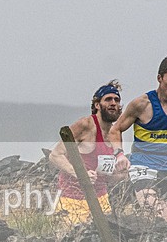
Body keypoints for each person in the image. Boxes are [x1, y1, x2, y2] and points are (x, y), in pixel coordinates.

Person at [107, 56, 167, 222]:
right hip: (142, 162)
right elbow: (115, 130)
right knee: (152, 213)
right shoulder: (142, 104)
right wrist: (119, 154)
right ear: (159, 78)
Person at [49, 80, 124, 224]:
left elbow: (110, 177)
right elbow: (55, 155)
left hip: (102, 200)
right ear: (97, 105)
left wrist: (121, 173)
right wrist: (80, 174)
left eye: (117, 100)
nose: (113, 103)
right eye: (108, 99)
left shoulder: (115, 133)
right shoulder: (86, 125)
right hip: (73, 199)